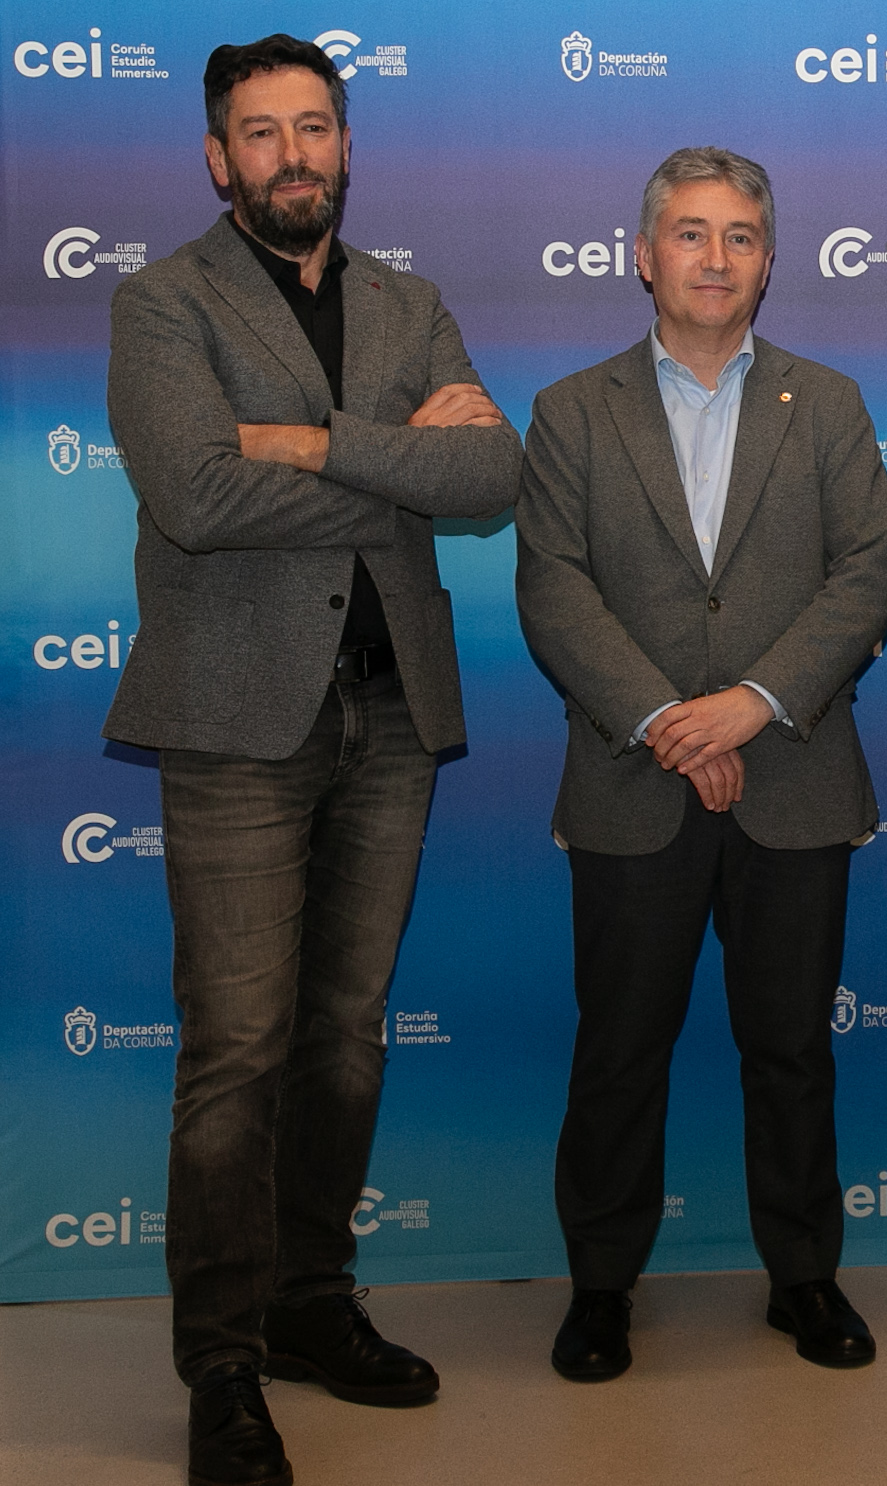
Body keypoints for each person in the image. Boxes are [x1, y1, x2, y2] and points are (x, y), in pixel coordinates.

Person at [103, 33, 521, 1486]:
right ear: (218, 159)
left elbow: (491, 473)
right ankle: (222, 1363)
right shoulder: (162, 301)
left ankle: (307, 1298)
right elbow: (195, 494)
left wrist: (304, 440)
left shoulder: (410, 302)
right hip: (237, 721)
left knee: (344, 1034)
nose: (292, 154)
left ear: (347, 146)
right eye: (261, 131)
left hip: (391, 715)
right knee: (236, 1051)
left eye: (315, 127)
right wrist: (391, 458)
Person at [515, 147, 887, 1381]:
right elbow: (553, 589)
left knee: (791, 1050)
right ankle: (600, 1287)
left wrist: (746, 707)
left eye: (739, 236)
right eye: (689, 233)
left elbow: (865, 580)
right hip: (631, 784)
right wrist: (665, 722)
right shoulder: (571, 410)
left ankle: (804, 1277)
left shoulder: (826, 403)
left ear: (768, 261)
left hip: (792, 776)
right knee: (619, 1050)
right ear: (643, 255)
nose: (715, 257)